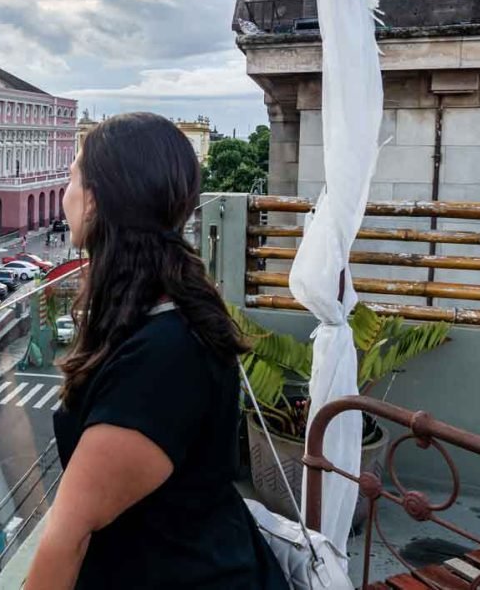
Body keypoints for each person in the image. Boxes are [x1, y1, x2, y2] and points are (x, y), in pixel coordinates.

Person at [25, 113, 287, 590]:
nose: (64, 193)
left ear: (96, 202)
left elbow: (68, 537)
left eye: (71, 177)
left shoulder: (160, 359)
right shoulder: (169, 308)